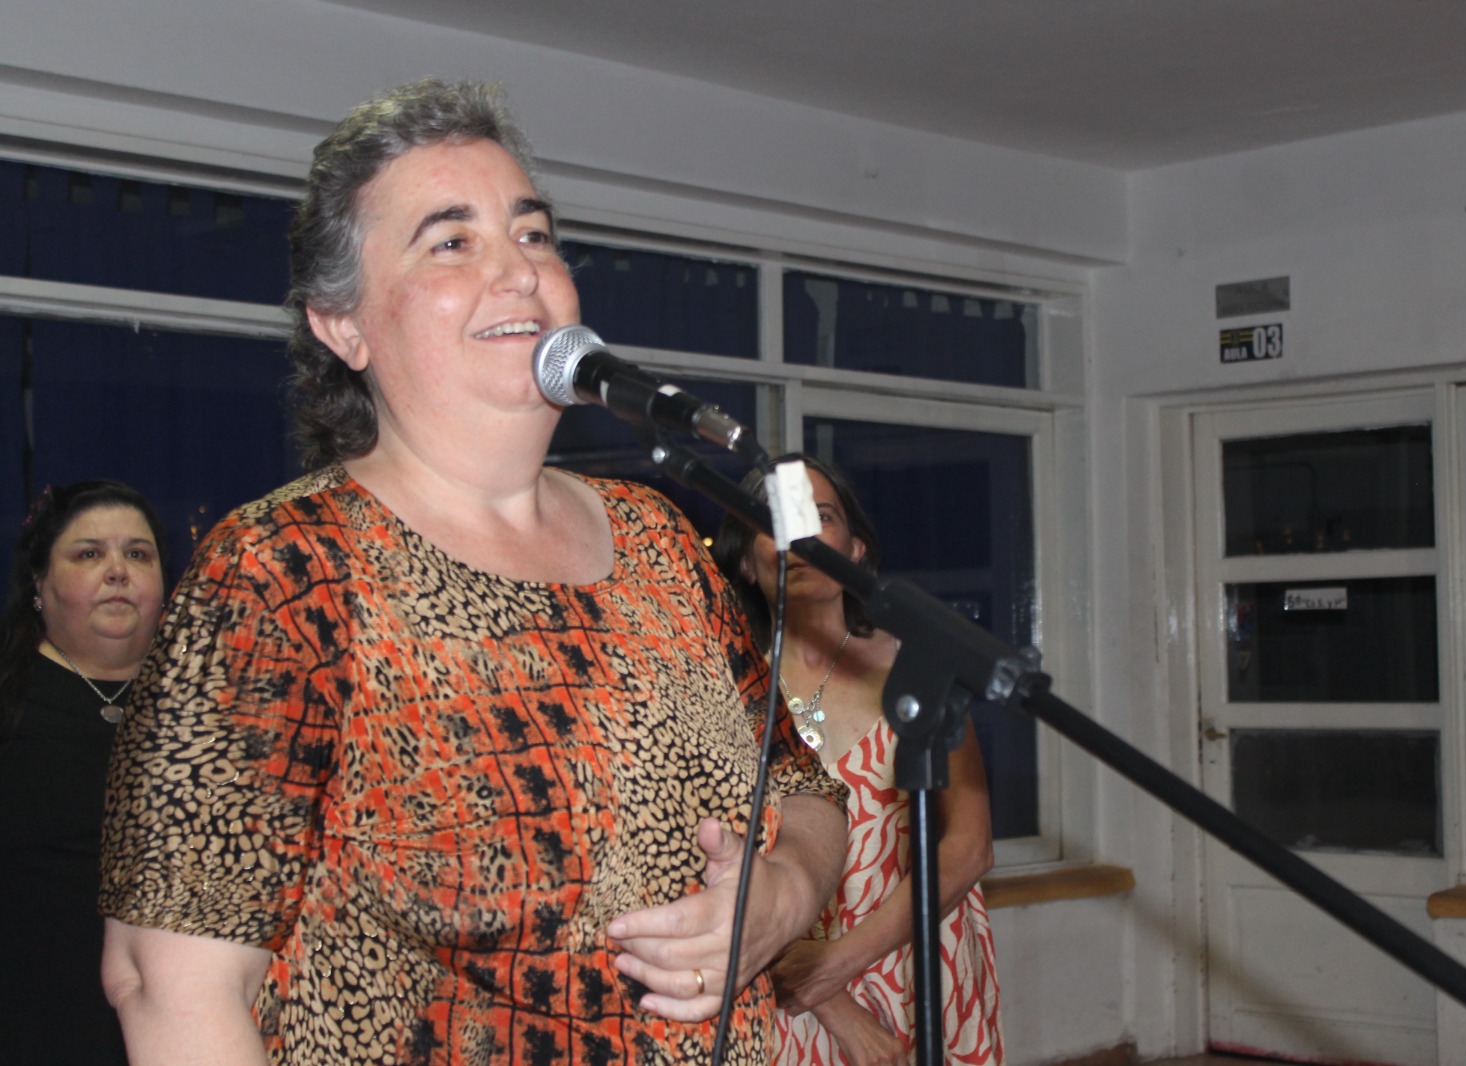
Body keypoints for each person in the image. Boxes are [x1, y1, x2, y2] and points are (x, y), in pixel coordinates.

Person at [97, 78, 847, 1066]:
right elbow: (169, 985)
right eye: (451, 241)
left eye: (533, 235)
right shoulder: (283, 573)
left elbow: (803, 789)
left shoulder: (660, 541)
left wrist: (784, 892)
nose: (519, 271)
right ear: (342, 324)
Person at [711, 456, 1005, 1066]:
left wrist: (839, 963)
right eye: (775, 519)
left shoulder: (919, 665)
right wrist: (831, 1001)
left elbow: (970, 847)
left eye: (819, 515)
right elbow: (706, 871)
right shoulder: (717, 687)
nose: (799, 535)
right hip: (776, 984)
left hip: (916, 963)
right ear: (746, 561)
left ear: (857, 549)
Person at [0, 479, 168, 1065]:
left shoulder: (212, 706)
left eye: (138, 554)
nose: (117, 571)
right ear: (38, 585)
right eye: (89, 553)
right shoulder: (11, 701)